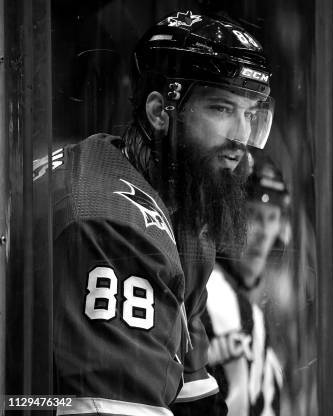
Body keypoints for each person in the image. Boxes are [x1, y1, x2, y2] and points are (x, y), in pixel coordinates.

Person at [28, 10, 274, 415]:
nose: (242, 138)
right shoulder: (110, 224)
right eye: (221, 108)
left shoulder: (181, 202)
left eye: (250, 113)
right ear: (160, 112)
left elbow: (192, 391)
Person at [204, 154, 288, 416]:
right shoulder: (215, 298)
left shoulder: (251, 312)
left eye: (272, 217)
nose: (263, 231)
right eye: (252, 214)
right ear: (226, 218)